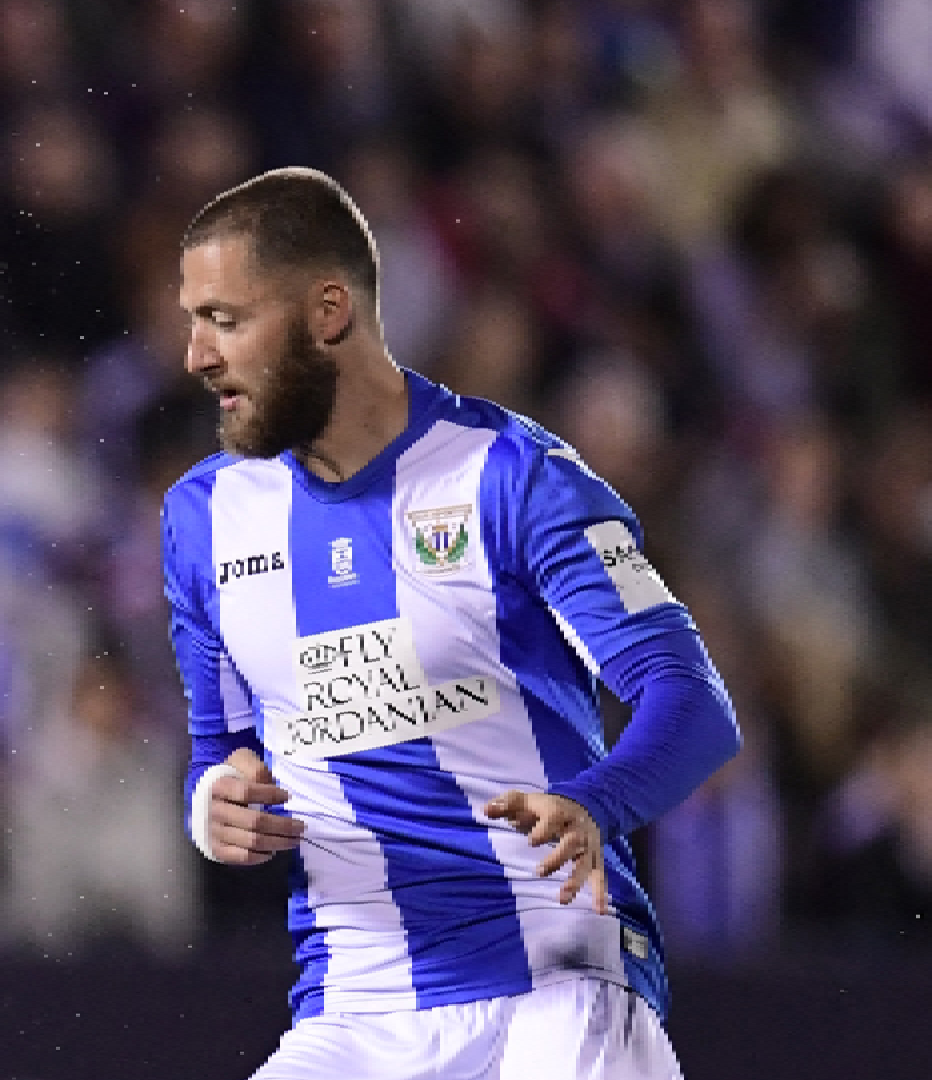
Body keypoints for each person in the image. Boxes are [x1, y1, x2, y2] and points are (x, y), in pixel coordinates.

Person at [163, 167, 741, 1079]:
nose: (196, 355)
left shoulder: (514, 476)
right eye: (194, 320)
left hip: (556, 979)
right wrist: (211, 810)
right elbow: (219, 749)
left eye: (225, 320)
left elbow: (694, 703)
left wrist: (595, 802)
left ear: (327, 311)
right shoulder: (202, 519)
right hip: (351, 1009)